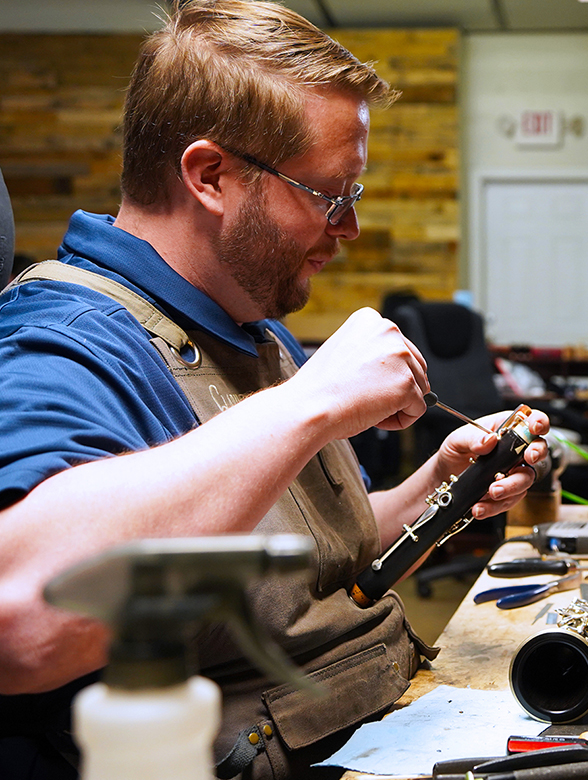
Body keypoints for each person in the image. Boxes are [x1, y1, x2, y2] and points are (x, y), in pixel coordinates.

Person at [0, 2, 549, 779]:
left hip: (384, 728)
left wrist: (439, 488)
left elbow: (316, 567)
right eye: (331, 195)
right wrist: (309, 402)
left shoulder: (250, 328)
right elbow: (22, 622)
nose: (348, 227)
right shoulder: (68, 337)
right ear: (210, 176)